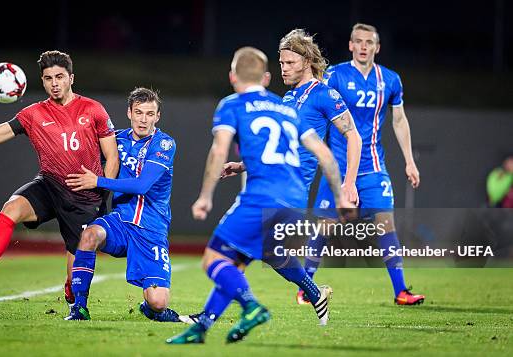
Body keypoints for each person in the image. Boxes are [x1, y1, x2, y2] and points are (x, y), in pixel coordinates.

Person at [166, 47, 353, 344]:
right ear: (265, 78)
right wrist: (342, 196)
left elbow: (218, 149)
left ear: (232, 76)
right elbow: (325, 156)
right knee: (244, 262)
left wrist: (205, 195)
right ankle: (201, 328)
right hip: (294, 200)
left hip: (262, 196)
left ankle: (251, 306)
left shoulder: (232, 105)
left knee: (214, 259)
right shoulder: (287, 108)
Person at [0, 50, 119, 302]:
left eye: (59, 76)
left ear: (71, 78)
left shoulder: (93, 109)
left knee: (73, 288)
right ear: (42, 81)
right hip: (49, 184)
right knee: (11, 208)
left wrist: (102, 192)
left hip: (84, 198)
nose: (54, 83)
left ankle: (74, 298)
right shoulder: (33, 114)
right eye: (48, 78)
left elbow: (112, 157)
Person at [221, 29, 363, 305]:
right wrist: (241, 166)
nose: (283, 68)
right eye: (282, 62)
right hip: (272, 181)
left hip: (290, 187)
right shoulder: (288, 98)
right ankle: (314, 293)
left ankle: (211, 317)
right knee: (268, 251)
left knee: (234, 246)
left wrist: (349, 182)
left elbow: (354, 136)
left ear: (307, 61)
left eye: (290, 63)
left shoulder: (324, 95)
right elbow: (279, 149)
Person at [309, 23, 425, 305]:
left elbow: (399, 120)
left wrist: (409, 161)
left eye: (369, 42)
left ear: (377, 47)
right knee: (325, 226)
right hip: (337, 168)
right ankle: (306, 288)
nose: (363, 46)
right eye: (358, 41)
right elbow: (319, 111)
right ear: (350, 45)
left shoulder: (390, 80)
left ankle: (401, 291)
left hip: (372, 167)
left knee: (386, 225)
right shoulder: (334, 75)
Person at [63, 87, 194, 323]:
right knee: (89, 235)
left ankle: (150, 308)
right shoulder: (116, 141)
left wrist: (99, 181)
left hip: (151, 229)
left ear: (158, 116)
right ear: (129, 113)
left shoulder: (164, 144)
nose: (144, 119)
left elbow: (142, 185)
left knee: (158, 302)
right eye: (139, 112)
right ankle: (79, 308)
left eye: (149, 113)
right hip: (121, 221)